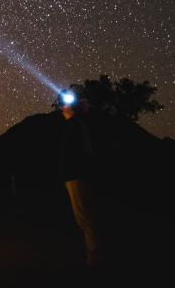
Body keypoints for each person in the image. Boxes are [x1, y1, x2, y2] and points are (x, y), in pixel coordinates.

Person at [59, 97, 107, 270]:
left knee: (86, 219)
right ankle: (93, 257)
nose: (62, 107)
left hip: (77, 177)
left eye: (66, 105)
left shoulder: (75, 125)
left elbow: (81, 153)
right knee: (86, 219)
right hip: (78, 176)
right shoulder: (76, 125)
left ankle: (95, 261)